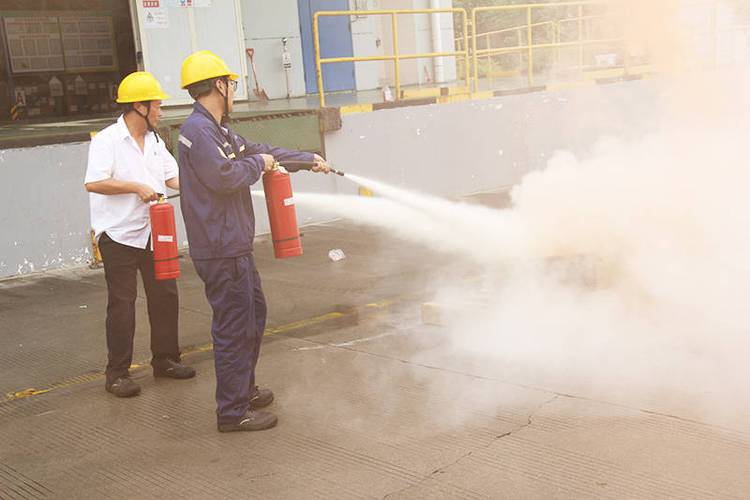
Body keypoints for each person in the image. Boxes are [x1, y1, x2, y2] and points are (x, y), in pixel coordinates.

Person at [176, 50, 331, 432]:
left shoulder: (218, 130)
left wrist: (305, 158)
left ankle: (242, 389)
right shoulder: (199, 131)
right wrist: (258, 166)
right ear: (218, 85)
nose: (233, 90)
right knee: (233, 327)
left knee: (252, 316)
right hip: (221, 248)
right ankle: (232, 412)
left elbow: (260, 151)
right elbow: (226, 176)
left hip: (233, 246)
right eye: (231, 83)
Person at [84, 71, 196, 398]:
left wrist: (206, 185)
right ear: (139, 106)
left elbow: (174, 179)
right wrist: (135, 187)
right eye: (157, 106)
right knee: (122, 304)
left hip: (152, 233)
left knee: (165, 296)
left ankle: (165, 359)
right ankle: (117, 373)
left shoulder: (156, 141)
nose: (160, 112)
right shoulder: (107, 140)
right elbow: (94, 182)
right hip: (118, 234)